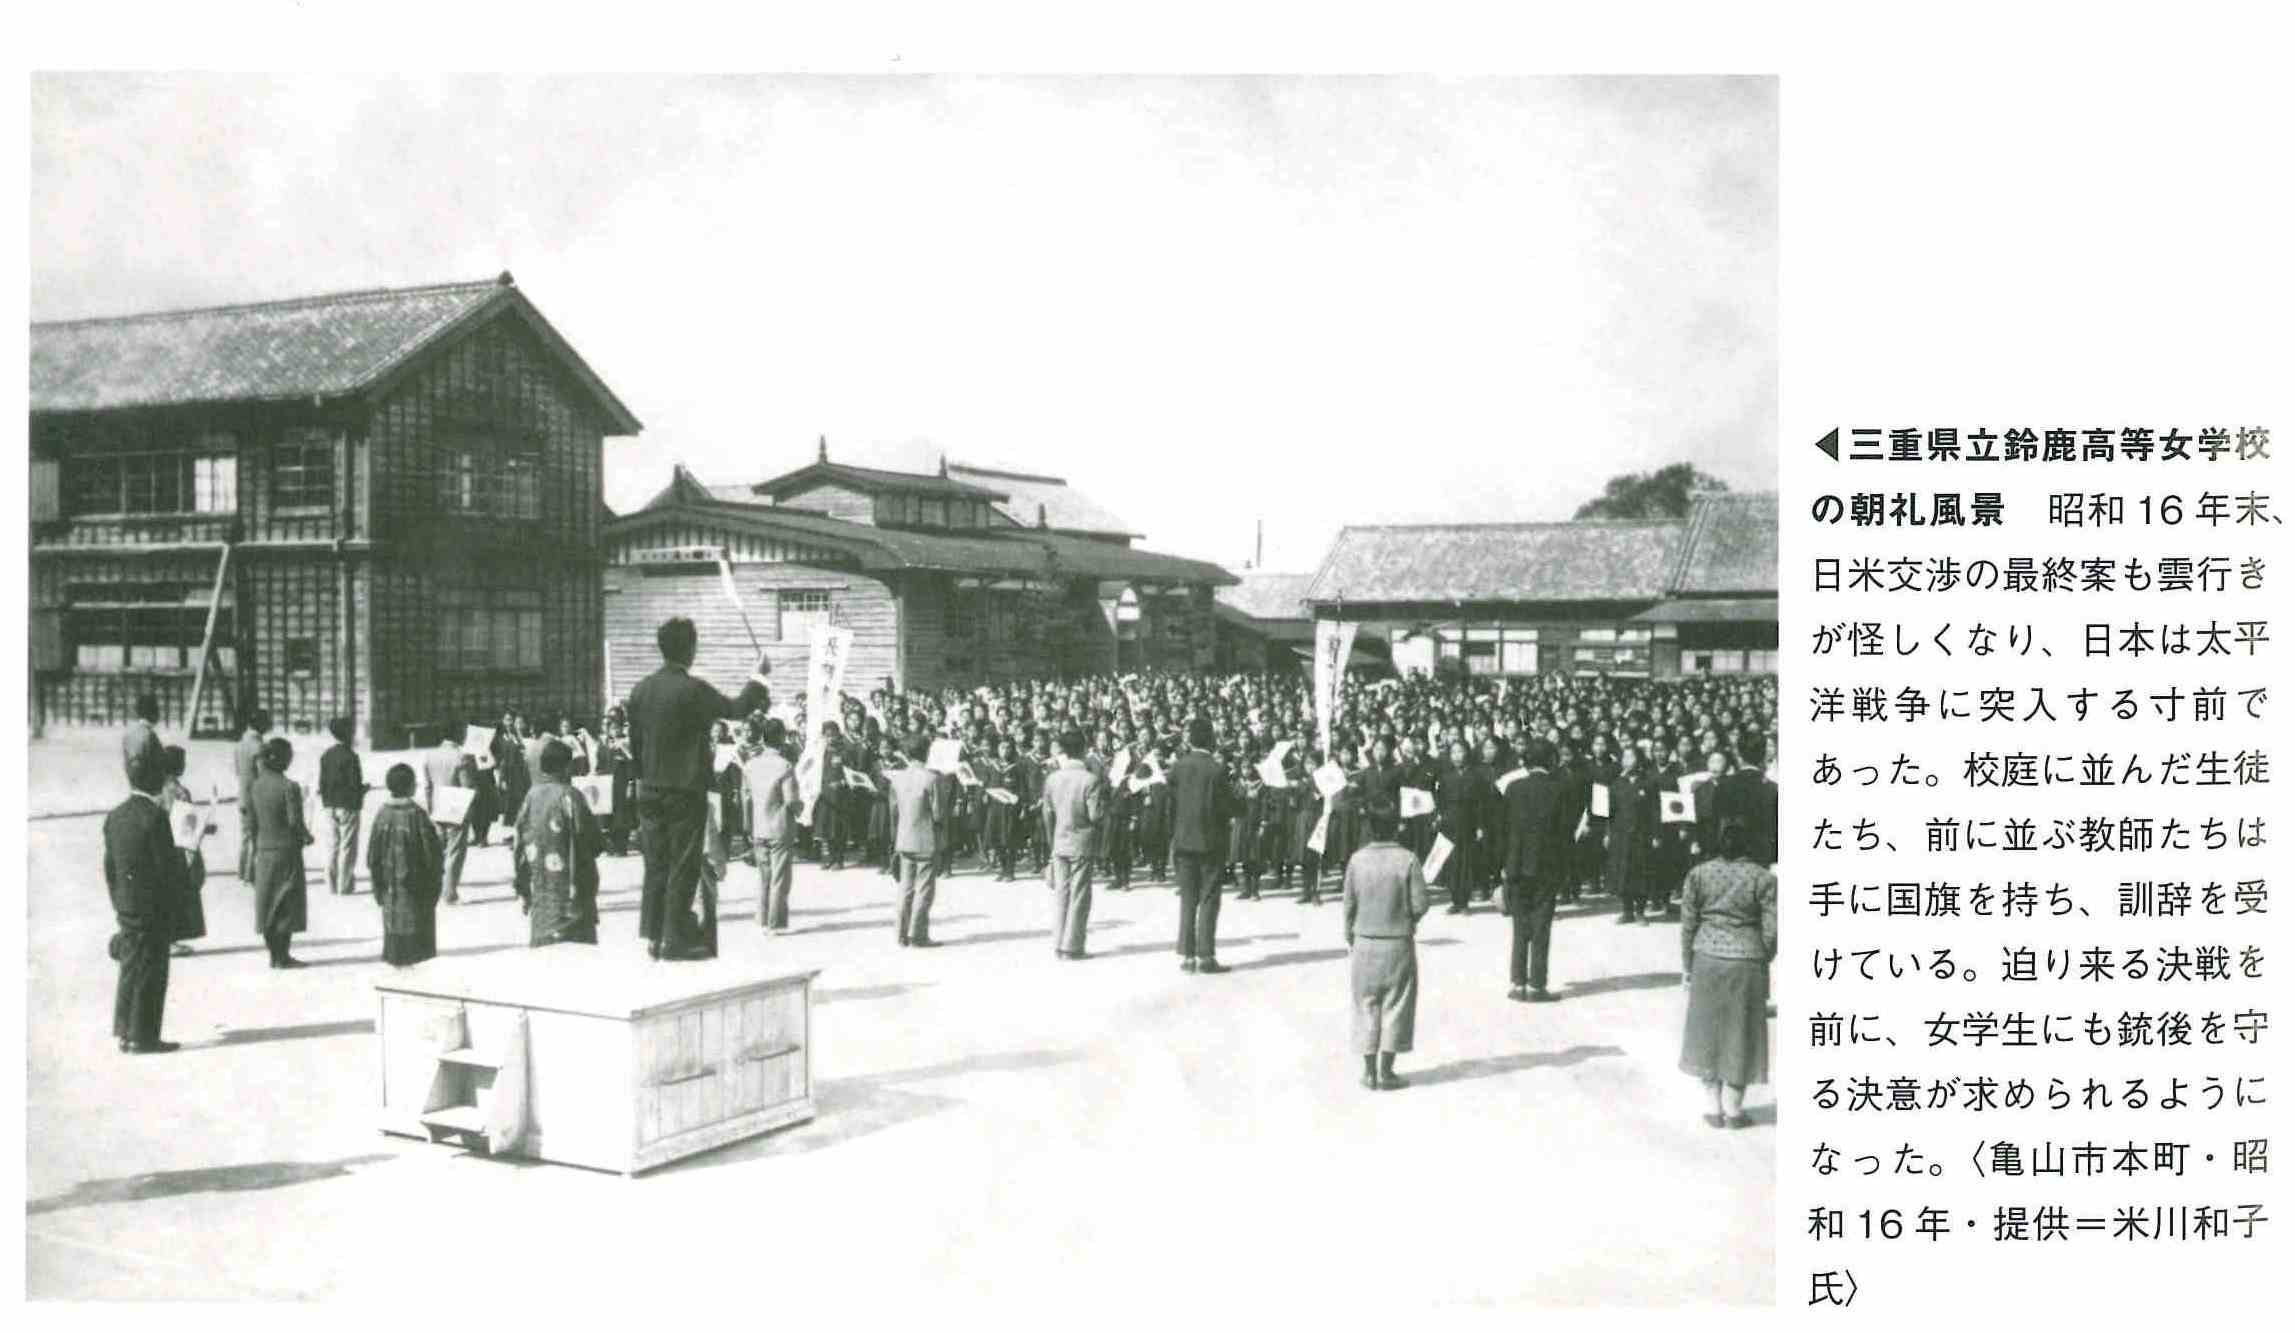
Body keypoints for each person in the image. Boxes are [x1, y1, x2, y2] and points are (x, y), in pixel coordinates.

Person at [626, 616, 772, 961]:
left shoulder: (641, 689)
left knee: (656, 863)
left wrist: (643, 777)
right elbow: (736, 709)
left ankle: (653, 935)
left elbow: (635, 743)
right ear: (690, 649)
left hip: (649, 787)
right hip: (684, 788)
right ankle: (674, 938)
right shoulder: (693, 690)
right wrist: (759, 678)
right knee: (683, 863)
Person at [1679, 822, 1777, 1129]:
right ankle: (1734, 1109)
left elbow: (1688, 924)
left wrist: (1688, 965)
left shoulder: (1698, 874)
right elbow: (1772, 929)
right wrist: (1762, 956)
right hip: (1746, 962)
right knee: (1741, 1032)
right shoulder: (1763, 878)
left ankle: (1713, 1108)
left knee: (1707, 1032)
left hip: (1707, 959)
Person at [1342, 804, 1429, 1090]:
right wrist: (1407, 919)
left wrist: (1350, 934)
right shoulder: (1408, 859)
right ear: (1397, 827)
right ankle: (1386, 1072)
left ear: (1369, 828)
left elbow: (1348, 904)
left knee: (1365, 1004)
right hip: (1397, 942)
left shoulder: (1357, 860)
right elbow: (1420, 903)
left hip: (1364, 941)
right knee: (1396, 1004)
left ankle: (1368, 1073)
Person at [105, 753, 187, 1053]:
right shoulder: (156, 817)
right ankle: (144, 1036)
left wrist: (119, 900)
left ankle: (125, 1031)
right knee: (152, 971)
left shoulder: (115, 815)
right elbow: (165, 867)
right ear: (155, 781)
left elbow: (110, 868)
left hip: (127, 904)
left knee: (130, 968)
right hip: (153, 907)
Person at [1501, 738, 1573, 1003]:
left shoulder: (1513, 788)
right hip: (1546, 865)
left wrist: (1505, 864)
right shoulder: (1559, 789)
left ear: (1526, 761)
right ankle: (1537, 985)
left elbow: (1503, 829)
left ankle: (1517, 983)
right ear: (1551, 760)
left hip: (1517, 865)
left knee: (1520, 925)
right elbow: (1565, 833)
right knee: (1541, 926)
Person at [515, 740, 604, 948]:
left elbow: (519, 847)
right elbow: (594, 843)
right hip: (573, 907)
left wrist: (523, 888)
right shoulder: (571, 796)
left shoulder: (530, 797)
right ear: (566, 766)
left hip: (542, 908)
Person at [1167, 717, 1232, 974]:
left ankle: (1187, 956)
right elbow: (1227, 806)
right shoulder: (1217, 770)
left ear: (1190, 739)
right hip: (1211, 842)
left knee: (1188, 899)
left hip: (1183, 841)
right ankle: (1206, 956)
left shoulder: (1178, 767)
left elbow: (1172, 804)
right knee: (1209, 899)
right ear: (1211, 738)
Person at [366, 763, 443, 966]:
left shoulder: (382, 814)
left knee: (393, 922)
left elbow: (372, 854)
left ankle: (395, 956)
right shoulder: (417, 815)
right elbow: (431, 853)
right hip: (415, 885)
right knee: (415, 924)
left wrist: (377, 880)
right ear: (411, 786)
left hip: (389, 885)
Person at [245, 737, 312, 969]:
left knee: (267, 904)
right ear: (280, 759)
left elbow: (251, 822)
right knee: (286, 904)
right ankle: (283, 956)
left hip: (264, 850)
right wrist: (307, 836)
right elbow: (294, 822)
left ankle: (273, 955)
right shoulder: (289, 787)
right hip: (287, 851)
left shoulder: (255, 786)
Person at [886, 731, 948, 947]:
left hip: (904, 838)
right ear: (927, 752)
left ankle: (901, 934)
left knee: (905, 888)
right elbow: (938, 814)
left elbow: (893, 813)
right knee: (924, 890)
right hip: (926, 839)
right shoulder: (932, 779)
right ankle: (918, 934)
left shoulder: (897, 779)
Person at [743, 717, 802, 934]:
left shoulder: (750, 765)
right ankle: (775, 922)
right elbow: (791, 800)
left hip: (758, 825)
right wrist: (801, 809)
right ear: (781, 737)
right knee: (780, 877)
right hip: (779, 825)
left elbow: (746, 798)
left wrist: (747, 825)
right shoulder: (784, 765)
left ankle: (762, 919)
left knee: (764, 876)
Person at [157, 745, 211, 956]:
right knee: (180, 891)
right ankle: (171, 940)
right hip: (179, 847)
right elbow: (187, 825)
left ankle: (166, 939)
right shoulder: (180, 791)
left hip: (162, 845)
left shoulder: (157, 787)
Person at [1604, 742, 1662, 923]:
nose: (1627, 760)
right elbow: (1609, 812)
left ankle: (1640, 912)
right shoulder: (1616, 784)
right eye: (1625, 757)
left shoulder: (1649, 783)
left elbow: (1656, 811)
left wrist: (1656, 835)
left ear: (1639, 760)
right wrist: (1607, 834)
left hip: (1642, 835)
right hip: (1620, 835)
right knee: (1623, 872)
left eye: (1631, 757)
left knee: (1640, 872)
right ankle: (1627, 911)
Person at [421, 727, 478, 905]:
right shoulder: (462, 756)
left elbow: (427, 786)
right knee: (455, 851)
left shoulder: (430, 755)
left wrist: (430, 807)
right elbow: (467, 785)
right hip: (456, 803)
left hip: (437, 802)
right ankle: (449, 893)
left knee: (439, 850)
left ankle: (436, 887)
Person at [318, 715, 366, 896]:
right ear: (347, 734)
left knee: (332, 845)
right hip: (348, 805)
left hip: (329, 805)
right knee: (347, 847)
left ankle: (330, 884)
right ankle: (344, 886)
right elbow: (354, 785)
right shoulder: (351, 756)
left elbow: (322, 783)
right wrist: (364, 789)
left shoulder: (326, 755)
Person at [233, 707, 270, 885]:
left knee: (246, 836)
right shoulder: (259, 746)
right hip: (255, 797)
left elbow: (237, 771)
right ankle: (250, 875)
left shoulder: (240, 744)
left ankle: (241, 872)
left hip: (242, 794)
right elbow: (263, 774)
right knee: (255, 837)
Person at [122, 691, 165, 781]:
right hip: (148, 783)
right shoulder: (149, 735)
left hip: (133, 781)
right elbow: (157, 762)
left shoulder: (129, 733)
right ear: (154, 712)